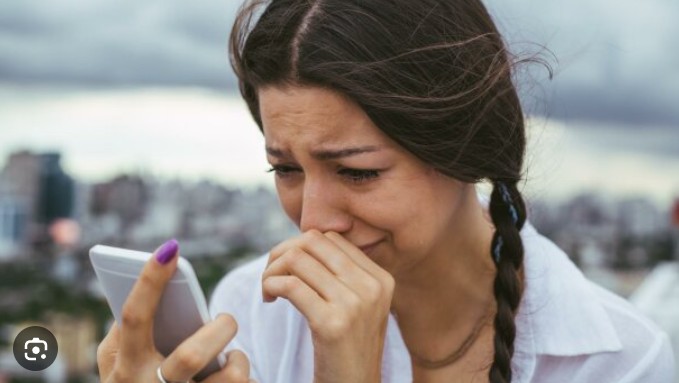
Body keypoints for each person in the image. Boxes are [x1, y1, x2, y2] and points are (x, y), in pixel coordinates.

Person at [96, 0, 676, 382]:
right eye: (287, 170)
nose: (314, 221)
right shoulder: (254, 310)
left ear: (465, 152)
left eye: (357, 172)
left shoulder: (615, 361)